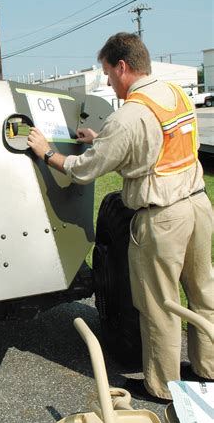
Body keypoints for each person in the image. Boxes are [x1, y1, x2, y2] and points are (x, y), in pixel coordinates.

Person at [27, 32, 214, 403]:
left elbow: (83, 170)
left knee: (158, 304)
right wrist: (102, 137)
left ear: (123, 66)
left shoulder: (128, 117)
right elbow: (153, 145)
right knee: (203, 293)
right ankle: (208, 369)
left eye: (109, 74)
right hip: (198, 206)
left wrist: (47, 153)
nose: (110, 82)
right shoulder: (174, 94)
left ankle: (161, 386)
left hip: (162, 218)